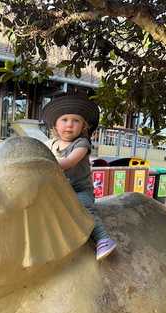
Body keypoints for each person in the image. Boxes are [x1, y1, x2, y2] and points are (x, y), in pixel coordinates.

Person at [42, 94, 117, 260]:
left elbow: (68, 162)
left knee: (82, 207)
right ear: (55, 124)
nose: (69, 125)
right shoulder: (50, 144)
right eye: (65, 120)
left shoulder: (81, 144)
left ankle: (103, 239)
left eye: (76, 121)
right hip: (58, 189)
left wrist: (43, 162)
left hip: (79, 190)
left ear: (84, 126)